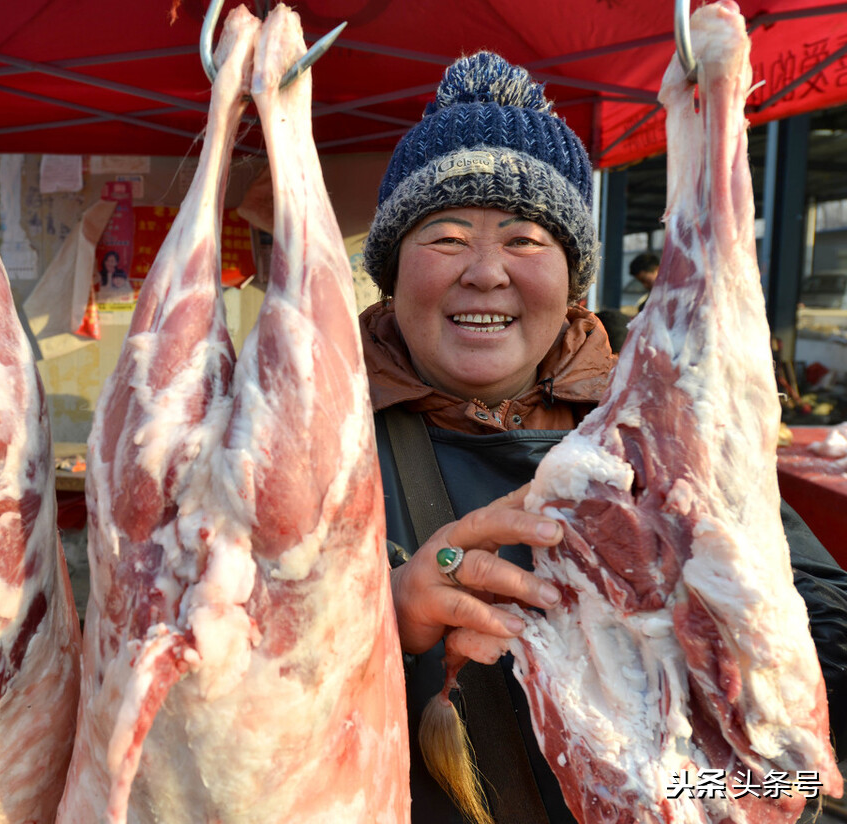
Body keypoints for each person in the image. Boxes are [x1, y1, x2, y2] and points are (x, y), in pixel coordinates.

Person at [358, 52, 847, 823]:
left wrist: (726, 607)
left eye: (525, 241)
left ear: (572, 276)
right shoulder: (320, 449)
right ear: (392, 270)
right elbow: (215, 696)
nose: (485, 272)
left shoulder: (661, 437)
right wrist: (384, 616)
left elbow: (805, 727)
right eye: (446, 238)